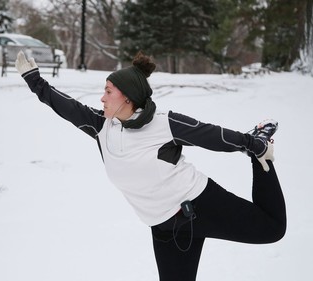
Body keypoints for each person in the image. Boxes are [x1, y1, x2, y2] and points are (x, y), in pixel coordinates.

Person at [15, 51, 286, 281]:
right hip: (165, 226)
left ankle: (262, 162)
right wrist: (35, 81)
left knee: (272, 229)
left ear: (128, 98)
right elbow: (67, 107)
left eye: (108, 92)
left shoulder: (163, 123)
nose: (102, 98)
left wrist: (253, 145)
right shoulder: (102, 128)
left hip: (201, 204)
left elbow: (211, 135)